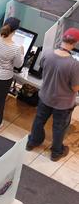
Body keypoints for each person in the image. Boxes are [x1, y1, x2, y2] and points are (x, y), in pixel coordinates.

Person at [26, 28, 79, 161]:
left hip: (45, 96)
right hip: (63, 104)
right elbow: (75, 88)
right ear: (75, 43)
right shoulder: (74, 65)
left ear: (62, 38)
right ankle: (56, 152)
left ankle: (33, 142)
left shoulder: (47, 54)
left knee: (39, 120)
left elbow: (43, 69)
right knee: (59, 127)